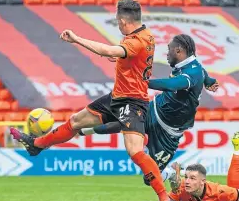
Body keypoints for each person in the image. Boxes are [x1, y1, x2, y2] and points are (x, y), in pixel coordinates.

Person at [10, 0, 179, 201]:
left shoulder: (136, 41)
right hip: (117, 97)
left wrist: (77, 39)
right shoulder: (145, 35)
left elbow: (111, 49)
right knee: (76, 121)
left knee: (135, 152)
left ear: (122, 20)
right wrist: (119, 58)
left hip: (133, 101)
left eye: (117, 22)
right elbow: (130, 58)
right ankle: (36, 144)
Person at [78, 34, 219, 184]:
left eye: (169, 49)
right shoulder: (193, 68)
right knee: (124, 122)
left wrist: (143, 82)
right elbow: (205, 76)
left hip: (168, 131)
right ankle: (83, 131)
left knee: (149, 178)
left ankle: (173, 173)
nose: (167, 53)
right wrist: (211, 82)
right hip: (154, 109)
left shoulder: (193, 72)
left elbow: (172, 85)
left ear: (178, 50)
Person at [137, 132, 239, 201]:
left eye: (193, 178)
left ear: (202, 182)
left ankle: (237, 151)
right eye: (186, 177)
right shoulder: (181, 186)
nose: (187, 181)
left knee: (233, 189)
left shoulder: (219, 191)